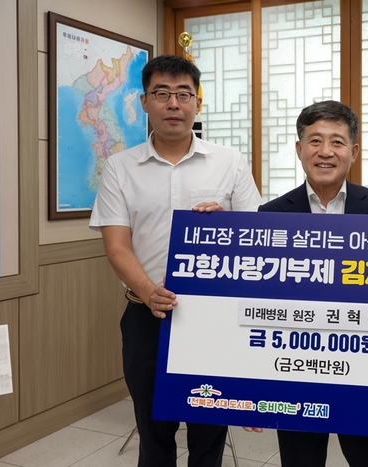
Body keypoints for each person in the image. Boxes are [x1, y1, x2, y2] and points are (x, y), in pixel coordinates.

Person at [89, 55, 262, 467]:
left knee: (209, 432)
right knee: (153, 432)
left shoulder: (230, 162)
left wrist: (228, 225)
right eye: (162, 93)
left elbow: (256, 239)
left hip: (214, 318)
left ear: (197, 103)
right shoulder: (119, 168)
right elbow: (117, 246)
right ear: (144, 101)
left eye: (184, 94)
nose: (173, 104)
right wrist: (150, 292)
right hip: (146, 315)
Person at [258, 100, 368, 467]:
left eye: (337, 142)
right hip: (296, 368)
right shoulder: (271, 214)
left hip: (362, 367)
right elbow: (262, 300)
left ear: (353, 151)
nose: (325, 152)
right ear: (299, 148)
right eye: (315, 140)